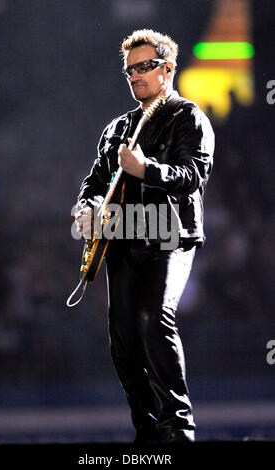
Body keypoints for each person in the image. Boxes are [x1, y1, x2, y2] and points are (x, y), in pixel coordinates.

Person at [74, 29, 214, 443]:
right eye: (129, 70)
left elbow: (192, 177)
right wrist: (85, 208)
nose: (135, 75)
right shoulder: (117, 128)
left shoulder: (189, 118)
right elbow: (95, 180)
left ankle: (178, 428)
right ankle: (148, 430)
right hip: (124, 241)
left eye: (144, 67)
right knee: (122, 339)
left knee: (155, 319)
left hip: (171, 238)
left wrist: (145, 169)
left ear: (167, 69)